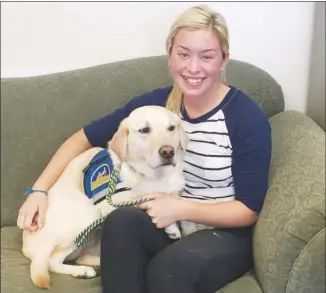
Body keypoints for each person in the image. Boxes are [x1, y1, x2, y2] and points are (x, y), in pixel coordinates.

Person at [17, 4, 272, 293]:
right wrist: (38, 191)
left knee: (168, 271)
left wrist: (179, 208)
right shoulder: (154, 108)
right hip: (167, 223)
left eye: (207, 56)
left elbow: (249, 210)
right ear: (170, 57)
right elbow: (82, 138)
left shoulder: (244, 117)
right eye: (183, 54)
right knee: (120, 221)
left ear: (224, 60)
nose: (193, 67)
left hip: (220, 232)